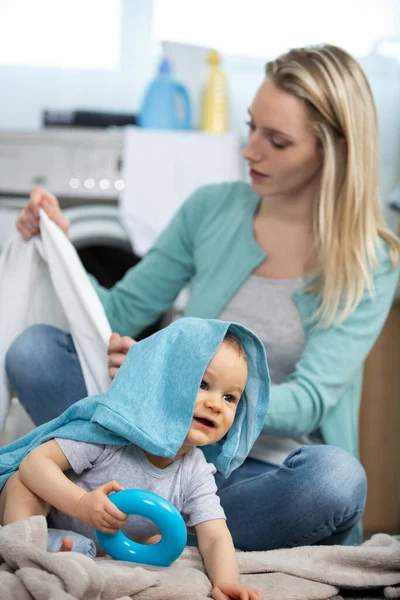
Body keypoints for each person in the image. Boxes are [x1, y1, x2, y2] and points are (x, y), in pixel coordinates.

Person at [5, 44, 400, 550]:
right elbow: (117, 313)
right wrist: (58, 248)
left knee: (337, 481)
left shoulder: (371, 259)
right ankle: (161, 527)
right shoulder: (212, 209)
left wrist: (181, 385)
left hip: (258, 472)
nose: (250, 150)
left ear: (335, 151)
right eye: (251, 126)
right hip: (150, 451)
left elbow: (310, 402)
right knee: (34, 351)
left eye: (276, 141)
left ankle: (136, 523)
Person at [1, 317, 269, 600]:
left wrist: (226, 582)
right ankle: (27, 553)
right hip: (52, 516)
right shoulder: (112, 432)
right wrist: (81, 504)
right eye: (202, 384)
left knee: (153, 537)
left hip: (105, 546)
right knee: (22, 483)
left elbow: (215, 536)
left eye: (230, 398)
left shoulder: (196, 472)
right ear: (164, 380)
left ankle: (72, 554)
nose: (215, 404)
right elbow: (34, 463)